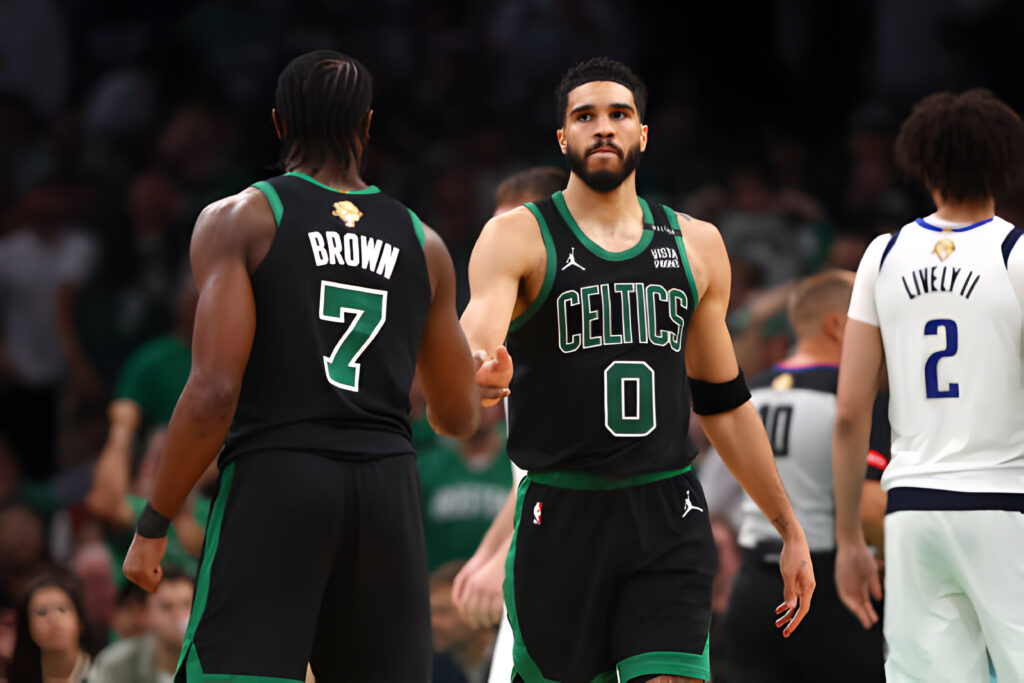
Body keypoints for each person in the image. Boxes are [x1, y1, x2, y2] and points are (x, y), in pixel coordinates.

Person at [121, 50, 508, 681]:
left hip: (279, 476)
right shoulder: (424, 242)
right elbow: (458, 419)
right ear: (368, 124)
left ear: (278, 125)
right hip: (387, 489)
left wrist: (156, 519)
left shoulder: (241, 219)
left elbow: (215, 391)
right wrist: (477, 385)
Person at [459, 57, 814, 683]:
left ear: (642, 134)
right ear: (562, 138)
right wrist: (480, 371)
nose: (603, 127)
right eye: (585, 116)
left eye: (619, 114)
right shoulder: (517, 236)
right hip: (563, 512)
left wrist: (788, 525)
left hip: (667, 508)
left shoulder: (695, 243)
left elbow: (726, 402)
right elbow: (476, 337)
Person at [834, 88, 1024, 682]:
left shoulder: (882, 256)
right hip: (1006, 505)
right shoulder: (1017, 254)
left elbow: (848, 414)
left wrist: (847, 542)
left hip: (912, 511)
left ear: (920, 164)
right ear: (1005, 162)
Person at [718, 270, 886, 682]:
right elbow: (868, 512)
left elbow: (715, 498)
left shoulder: (748, 395)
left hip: (752, 587)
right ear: (837, 326)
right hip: (830, 592)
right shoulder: (854, 399)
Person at [449, 166, 568, 683]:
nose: (496, 251)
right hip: (542, 528)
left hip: (581, 544)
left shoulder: (571, 328)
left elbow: (573, 471)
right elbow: (531, 475)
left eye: (511, 230)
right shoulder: (519, 326)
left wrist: (511, 555)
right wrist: (488, 552)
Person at [89, 566, 194, 683]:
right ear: (147, 613)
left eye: (187, 604)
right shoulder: (116, 665)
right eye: (166, 607)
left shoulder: (212, 661)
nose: (178, 615)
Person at [7, 572, 92, 683]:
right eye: (42, 613)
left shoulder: (102, 672)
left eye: (62, 609)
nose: (53, 619)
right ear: (26, 625)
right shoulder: (19, 676)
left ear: (80, 620)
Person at [431, 560, 497, 683]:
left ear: (476, 608)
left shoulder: (512, 657)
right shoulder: (436, 667)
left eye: (443, 611)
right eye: (430, 613)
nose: (432, 622)